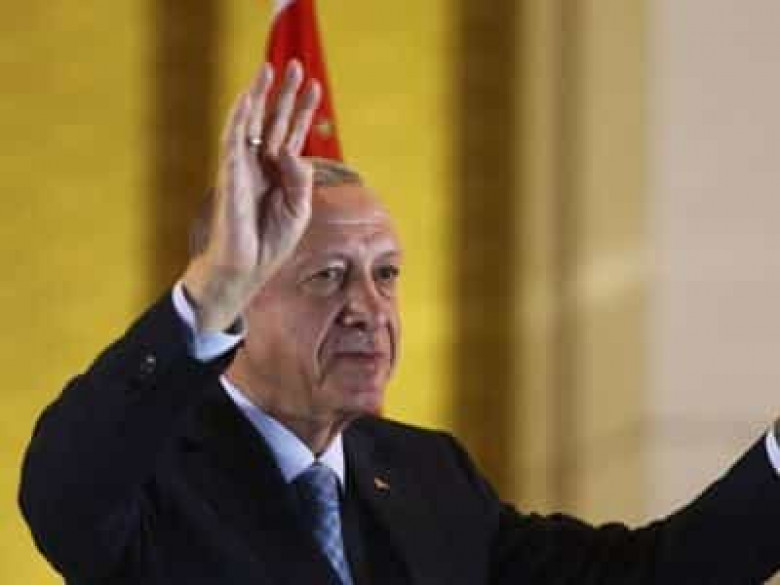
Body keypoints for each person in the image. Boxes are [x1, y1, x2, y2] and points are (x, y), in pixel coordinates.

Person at [18, 59, 780, 585]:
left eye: (385, 274)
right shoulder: (151, 470)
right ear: (238, 296)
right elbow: (63, 489)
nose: (369, 308)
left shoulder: (427, 474)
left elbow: (649, 573)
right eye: (326, 276)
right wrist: (208, 287)